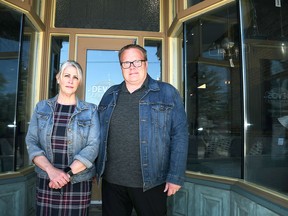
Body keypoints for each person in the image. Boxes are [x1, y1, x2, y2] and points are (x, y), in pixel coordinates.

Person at [96, 44, 189, 216]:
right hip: (112, 182)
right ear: (121, 67)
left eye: (137, 62)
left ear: (146, 64)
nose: (132, 67)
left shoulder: (167, 92)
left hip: (151, 183)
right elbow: (98, 134)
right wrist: (95, 167)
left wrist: (175, 176)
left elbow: (180, 136)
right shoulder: (110, 94)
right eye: (126, 63)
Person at [25, 60, 100, 215]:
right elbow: (32, 142)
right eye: (67, 75)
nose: (70, 80)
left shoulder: (91, 110)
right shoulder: (42, 107)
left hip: (78, 181)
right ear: (58, 78)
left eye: (75, 77)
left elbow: (93, 147)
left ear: (79, 83)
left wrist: (65, 174)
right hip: (47, 180)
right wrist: (51, 171)